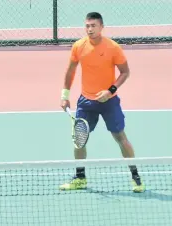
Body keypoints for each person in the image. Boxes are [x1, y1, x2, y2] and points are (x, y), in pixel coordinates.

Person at [59, 12, 145, 193]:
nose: (90, 29)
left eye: (93, 26)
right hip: (86, 102)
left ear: (101, 27)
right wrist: (64, 95)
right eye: (87, 26)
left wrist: (110, 91)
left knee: (120, 137)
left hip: (109, 102)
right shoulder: (79, 46)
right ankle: (80, 178)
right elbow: (70, 71)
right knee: (79, 140)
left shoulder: (113, 47)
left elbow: (125, 72)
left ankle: (136, 177)